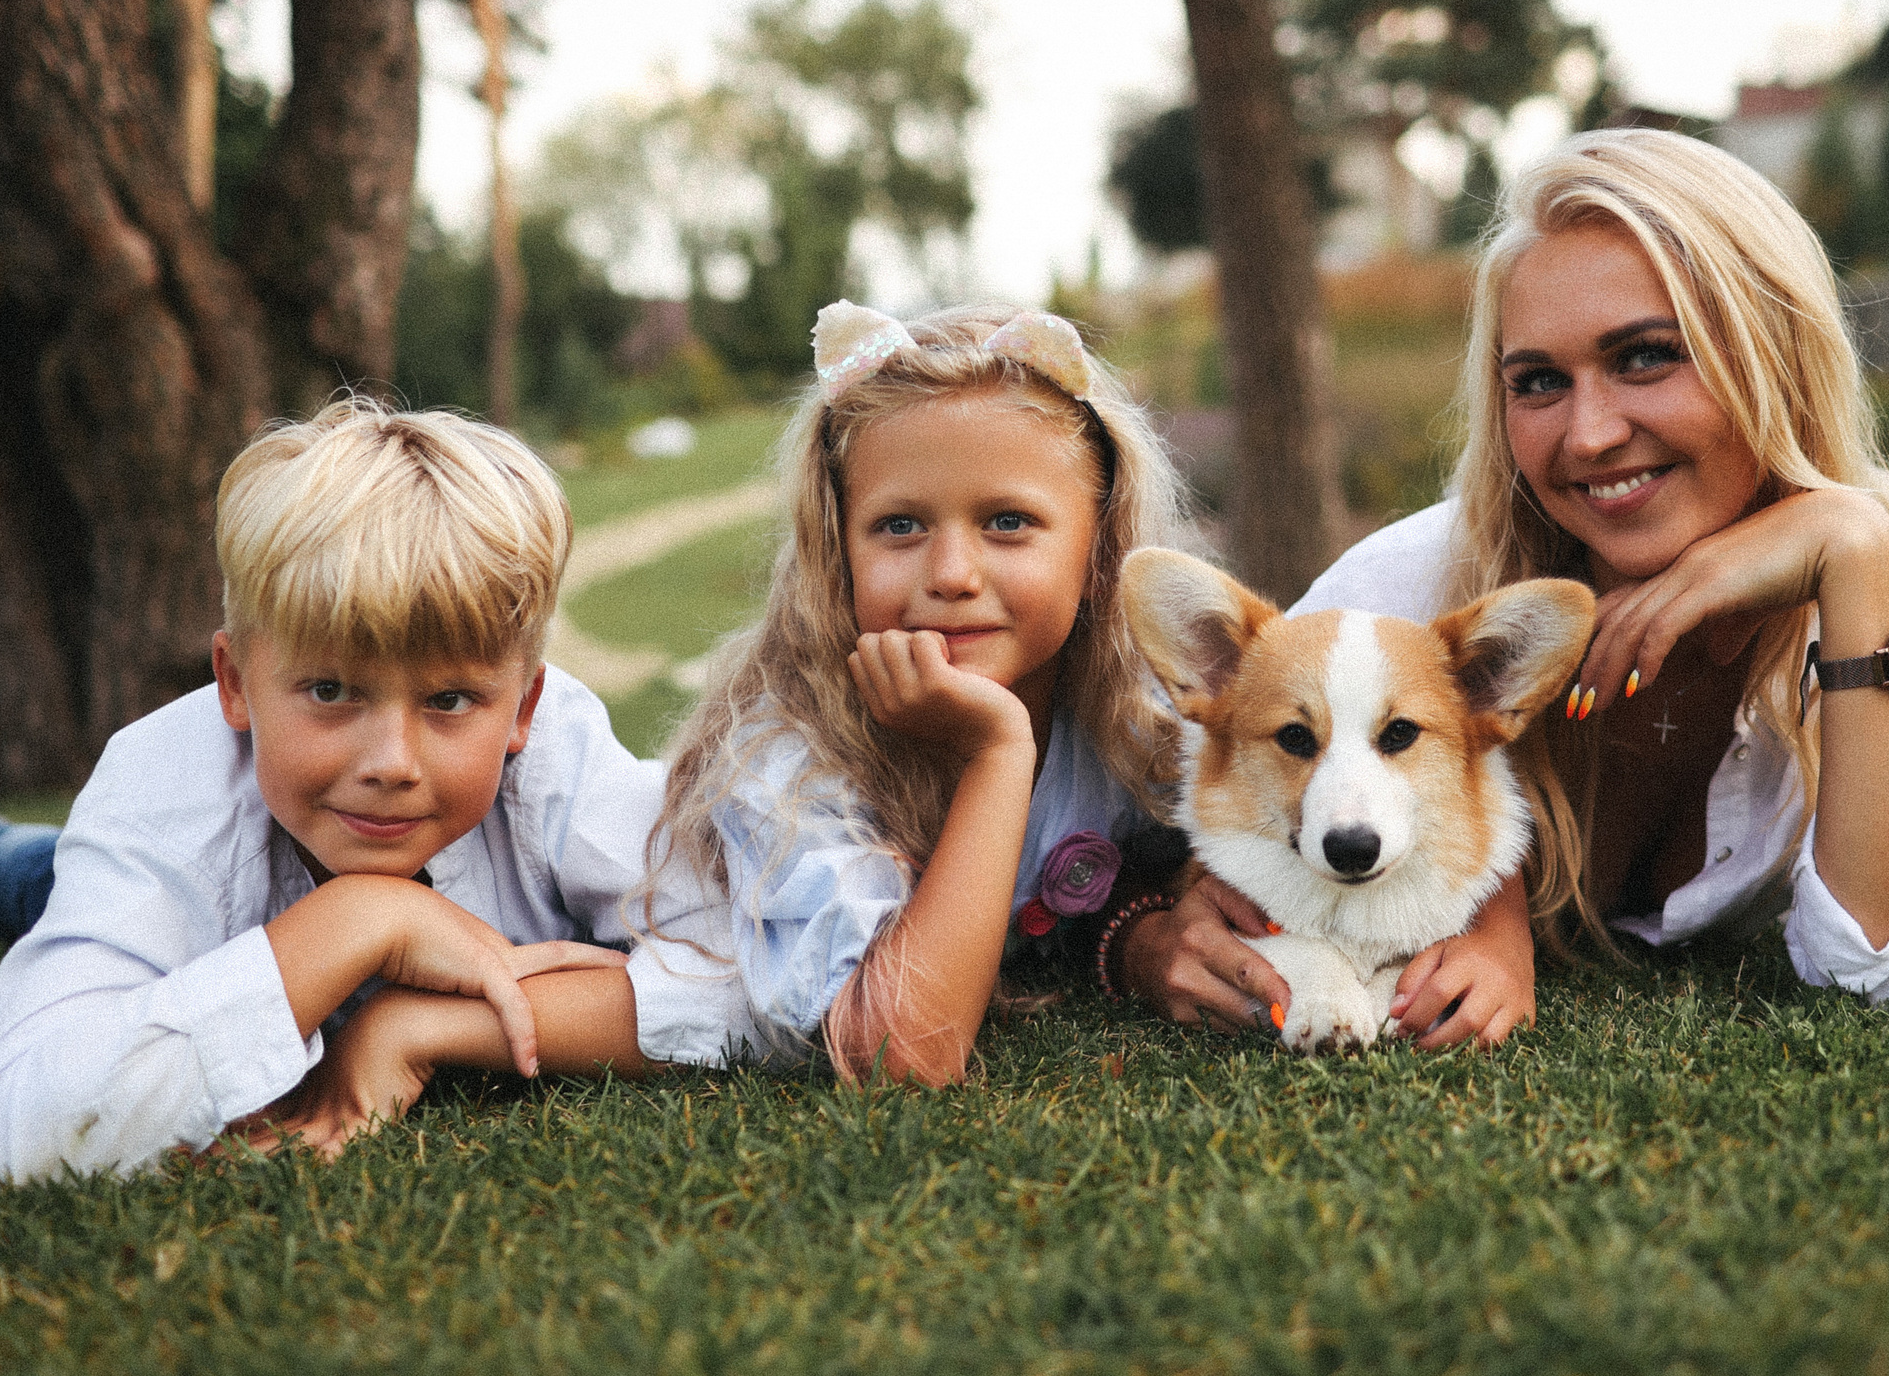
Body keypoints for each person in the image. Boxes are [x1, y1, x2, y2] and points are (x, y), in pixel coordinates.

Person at [1119, 128, 1889, 1024]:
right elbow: (1179, 820)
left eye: (1646, 357)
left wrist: (1852, 557)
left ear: (1776, 356)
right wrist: (1140, 936)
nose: (1590, 435)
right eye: (1537, 381)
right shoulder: (1403, 594)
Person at [262, 303, 1192, 1152]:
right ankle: (414, 1017)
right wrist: (996, 753)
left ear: (1101, 545)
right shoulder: (788, 756)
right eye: (899, 525)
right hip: (627, 965)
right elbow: (906, 1058)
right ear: (837, 548)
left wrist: (1158, 918)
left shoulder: (1138, 717)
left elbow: (1236, 842)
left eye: (1008, 523)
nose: (950, 572)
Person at [0, 399, 651, 1187]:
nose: (391, 763)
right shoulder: (163, 799)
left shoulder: (564, 761)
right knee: (33, 877)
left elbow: (756, 973)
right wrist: (370, 915)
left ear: (523, 707)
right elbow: (17, 1146)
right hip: (137, 879)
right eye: (330, 690)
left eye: (449, 701)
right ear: (235, 684)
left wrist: (413, 1028)